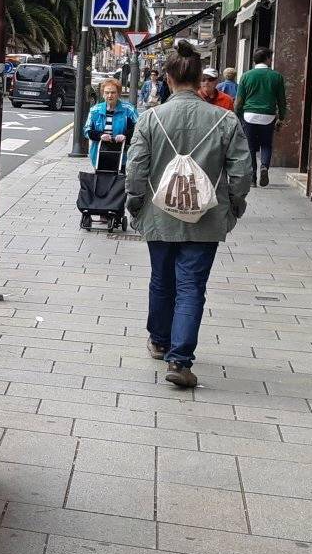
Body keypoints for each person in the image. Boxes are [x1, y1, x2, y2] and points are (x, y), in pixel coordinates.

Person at [125, 41, 251, 388]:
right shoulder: (225, 120)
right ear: (200, 80)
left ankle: (159, 340)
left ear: (167, 78)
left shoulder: (151, 119)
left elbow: (136, 169)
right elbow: (241, 173)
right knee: (192, 286)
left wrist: (136, 204)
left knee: (161, 280)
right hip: (206, 218)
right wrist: (233, 208)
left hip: (158, 213)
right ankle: (180, 361)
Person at [83, 79, 137, 228]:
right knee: (101, 180)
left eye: (113, 92)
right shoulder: (95, 110)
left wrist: (125, 135)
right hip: (100, 153)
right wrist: (100, 135)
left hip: (122, 153)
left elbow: (139, 128)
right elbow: (87, 130)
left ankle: (116, 211)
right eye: (107, 92)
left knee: (119, 182)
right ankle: (103, 211)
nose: (110, 95)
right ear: (103, 93)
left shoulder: (128, 109)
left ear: (118, 93)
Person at [235, 48, 288, 186]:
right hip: (268, 116)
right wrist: (281, 117)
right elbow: (282, 100)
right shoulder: (277, 76)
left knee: (251, 147)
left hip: (249, 116)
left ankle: (252, 179)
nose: (271, 60)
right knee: (266, 144)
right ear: (267, 59)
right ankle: (264, 166)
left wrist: (238, 114)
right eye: (270, 57)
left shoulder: (246, 76)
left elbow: (239, 100)